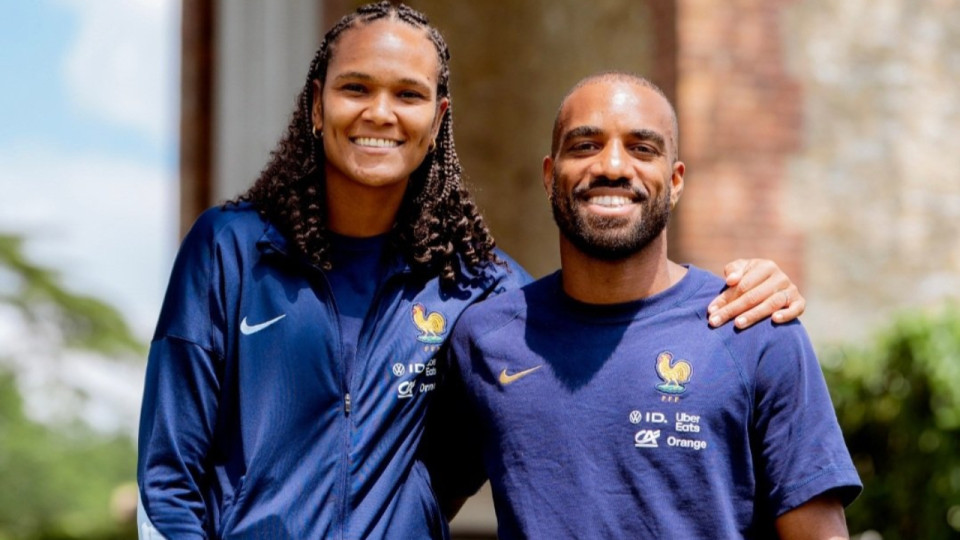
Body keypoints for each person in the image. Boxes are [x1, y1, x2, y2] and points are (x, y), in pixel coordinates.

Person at [137, 3, 808, 539]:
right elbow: (169, 477)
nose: (379, 113)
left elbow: (602, 323)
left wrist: (742, 290)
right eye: (354, 88)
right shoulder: (230, 250)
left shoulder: (482, 291)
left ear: (437, 119)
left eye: (408, 94)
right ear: (317, 106)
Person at [431, 72, 862, 539]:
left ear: (675, 182)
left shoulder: (754, 328)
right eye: (584, 146)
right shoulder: (486, 340)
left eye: (642, 148)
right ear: (550, 175)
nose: (613, 166)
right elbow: (424, 506)